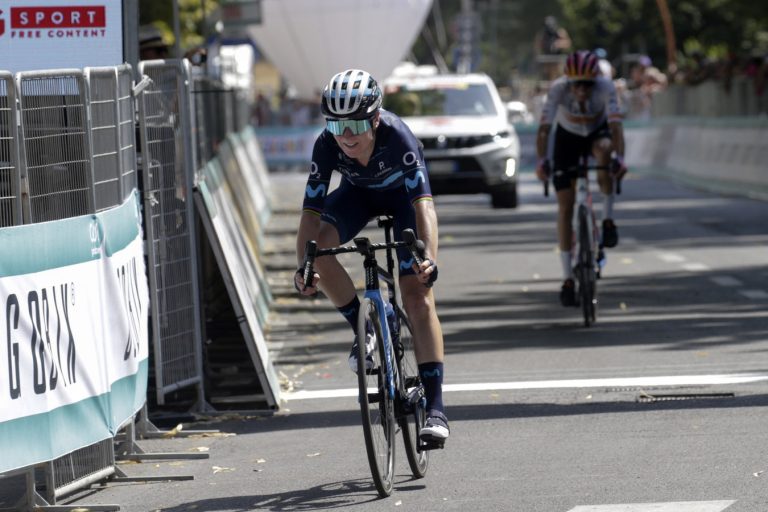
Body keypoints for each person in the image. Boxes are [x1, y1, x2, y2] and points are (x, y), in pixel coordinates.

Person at [294, 69, 449, 445]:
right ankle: (363, 328)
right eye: (337, 125)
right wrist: (304, 266)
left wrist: (426, 257)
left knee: (416, 293)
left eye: (357, 124)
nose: (346, 136)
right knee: (322, 250)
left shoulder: (398, 138)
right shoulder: (326, 144)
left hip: (403, 202)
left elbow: (424, 206)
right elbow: (310, 214)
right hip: (357, 197)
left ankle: (437, 409)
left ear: (375, 119)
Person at [535, 50, 627, 307]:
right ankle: (567, 278)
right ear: (569, 82)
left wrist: (620, 159)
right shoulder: (557, 90)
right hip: (568, 138)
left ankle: (608, 220)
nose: (583, 91)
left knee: (605, 154)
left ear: (595, 81)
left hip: (597, 133)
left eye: (588, 85)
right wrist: (542, 162)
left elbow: (617, 126)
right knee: (565, 205)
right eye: (578, 85)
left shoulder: (606, 87)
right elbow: (544, 130)